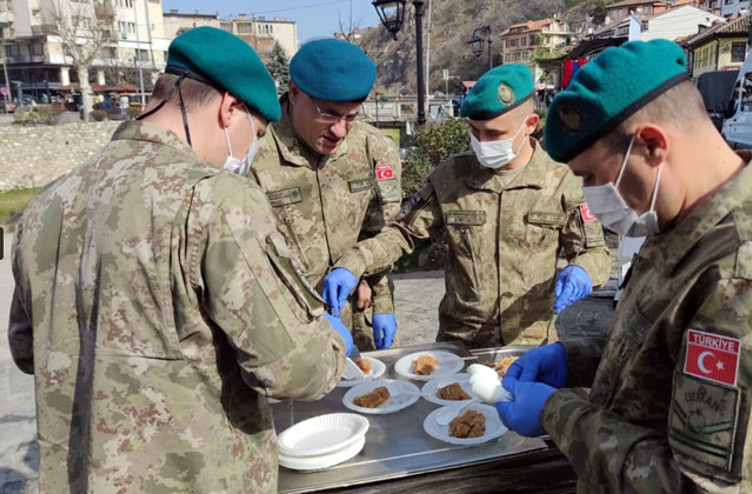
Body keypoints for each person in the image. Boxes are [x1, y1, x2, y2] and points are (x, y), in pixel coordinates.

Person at [494, 40, 752, 492]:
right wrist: (574, 359)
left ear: (652, 145)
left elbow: (698, 486)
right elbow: (665, 352)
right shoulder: (681, 220)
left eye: (591, 177)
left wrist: (559, 414)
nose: (589, 195)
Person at [7, 27, 350, 492]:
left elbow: (27, 351)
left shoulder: (48, 204)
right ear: (230, 109)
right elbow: (294, 370)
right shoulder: (216, 200)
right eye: (255, 135)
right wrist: (328, 342)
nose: (249, 153)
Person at [323, 64, 611, 348]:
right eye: (475, 131)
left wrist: (584, 271)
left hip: (529, 346)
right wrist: (354, 263)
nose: (482, 142)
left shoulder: (563, 182)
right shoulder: (451, 177)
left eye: (494, 134)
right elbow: (402, 233)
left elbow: (594, 251)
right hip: (460, 345)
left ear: (530, 125)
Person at [250, 39, 402, 350]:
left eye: (351, 116)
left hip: (359, 315)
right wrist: (309, 312)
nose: (340, 131)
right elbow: (247, 256)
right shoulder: (254, 152)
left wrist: (382, 298)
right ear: (295, 93)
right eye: (329, 114)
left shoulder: (374, 148)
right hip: (290, 327)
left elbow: (385, 232)